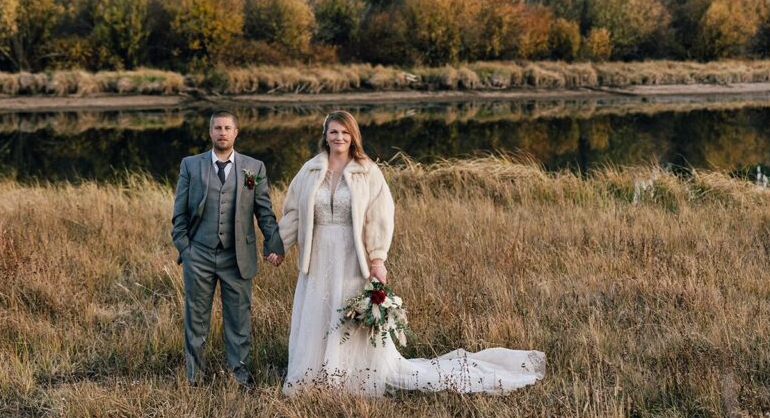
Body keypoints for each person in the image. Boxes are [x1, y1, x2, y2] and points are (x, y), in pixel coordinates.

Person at [275, 110, 545, 396]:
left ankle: (351, 378)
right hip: (317, 256)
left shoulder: (367, 170)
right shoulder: (310, 170)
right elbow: (293, 212)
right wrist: (279, 246)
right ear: (325, 136)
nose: (339, 137)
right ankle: (314, 377)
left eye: (345, 132)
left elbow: (381, 216)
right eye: (333, 132)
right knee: (318, 311)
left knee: (346, 312)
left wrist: (378, 258)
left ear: (353, 136)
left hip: (353, 257)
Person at [171, 111, 284, 385]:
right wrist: (186, 249)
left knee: (239, 321)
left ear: (236, 132)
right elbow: (179, 214)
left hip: (237, 257)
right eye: (218, 128)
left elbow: (264, 212)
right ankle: (194, 378)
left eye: (227, 128)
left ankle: (239, 377)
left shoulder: (253, 168)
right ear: (210, 132)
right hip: (199, 254)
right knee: (196, 320)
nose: (222, 132)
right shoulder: (191, 165)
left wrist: (274, 243)